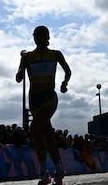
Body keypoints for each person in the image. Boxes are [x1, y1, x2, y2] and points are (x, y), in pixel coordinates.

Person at [16, 26, 72, 185]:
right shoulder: (28, 57)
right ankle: (58, 170)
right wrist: (22, 66)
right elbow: (18, 78)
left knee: (34, 129)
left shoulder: (55, 54)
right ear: (34, 38)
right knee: (47, 134)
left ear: (48, 37)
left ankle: (43, 171)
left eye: (43, 35)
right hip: (34, 99)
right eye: (37, 35)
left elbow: (68, 71)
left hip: (49, 97)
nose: (40, 38)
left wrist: (64, 83)